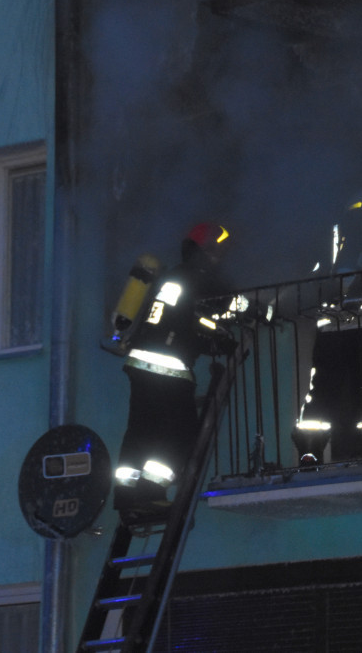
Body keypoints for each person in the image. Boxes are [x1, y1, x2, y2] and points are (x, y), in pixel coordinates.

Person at [113, 222, 235, 524]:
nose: (218, 257)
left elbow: (180, 320)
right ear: (202, 252)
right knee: (181, 435)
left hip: (140, 363)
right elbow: (209, 315)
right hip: (168, 367)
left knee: (141, 431)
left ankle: (128, 498)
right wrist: (234, 329)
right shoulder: (198, 278)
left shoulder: (171, 278)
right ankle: (152, 492)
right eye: (214, 251)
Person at [293, 195, 362, 466]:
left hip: (335, 324)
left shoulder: (334, 237)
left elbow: (315, 273)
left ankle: (311, 450)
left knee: (325, 389)